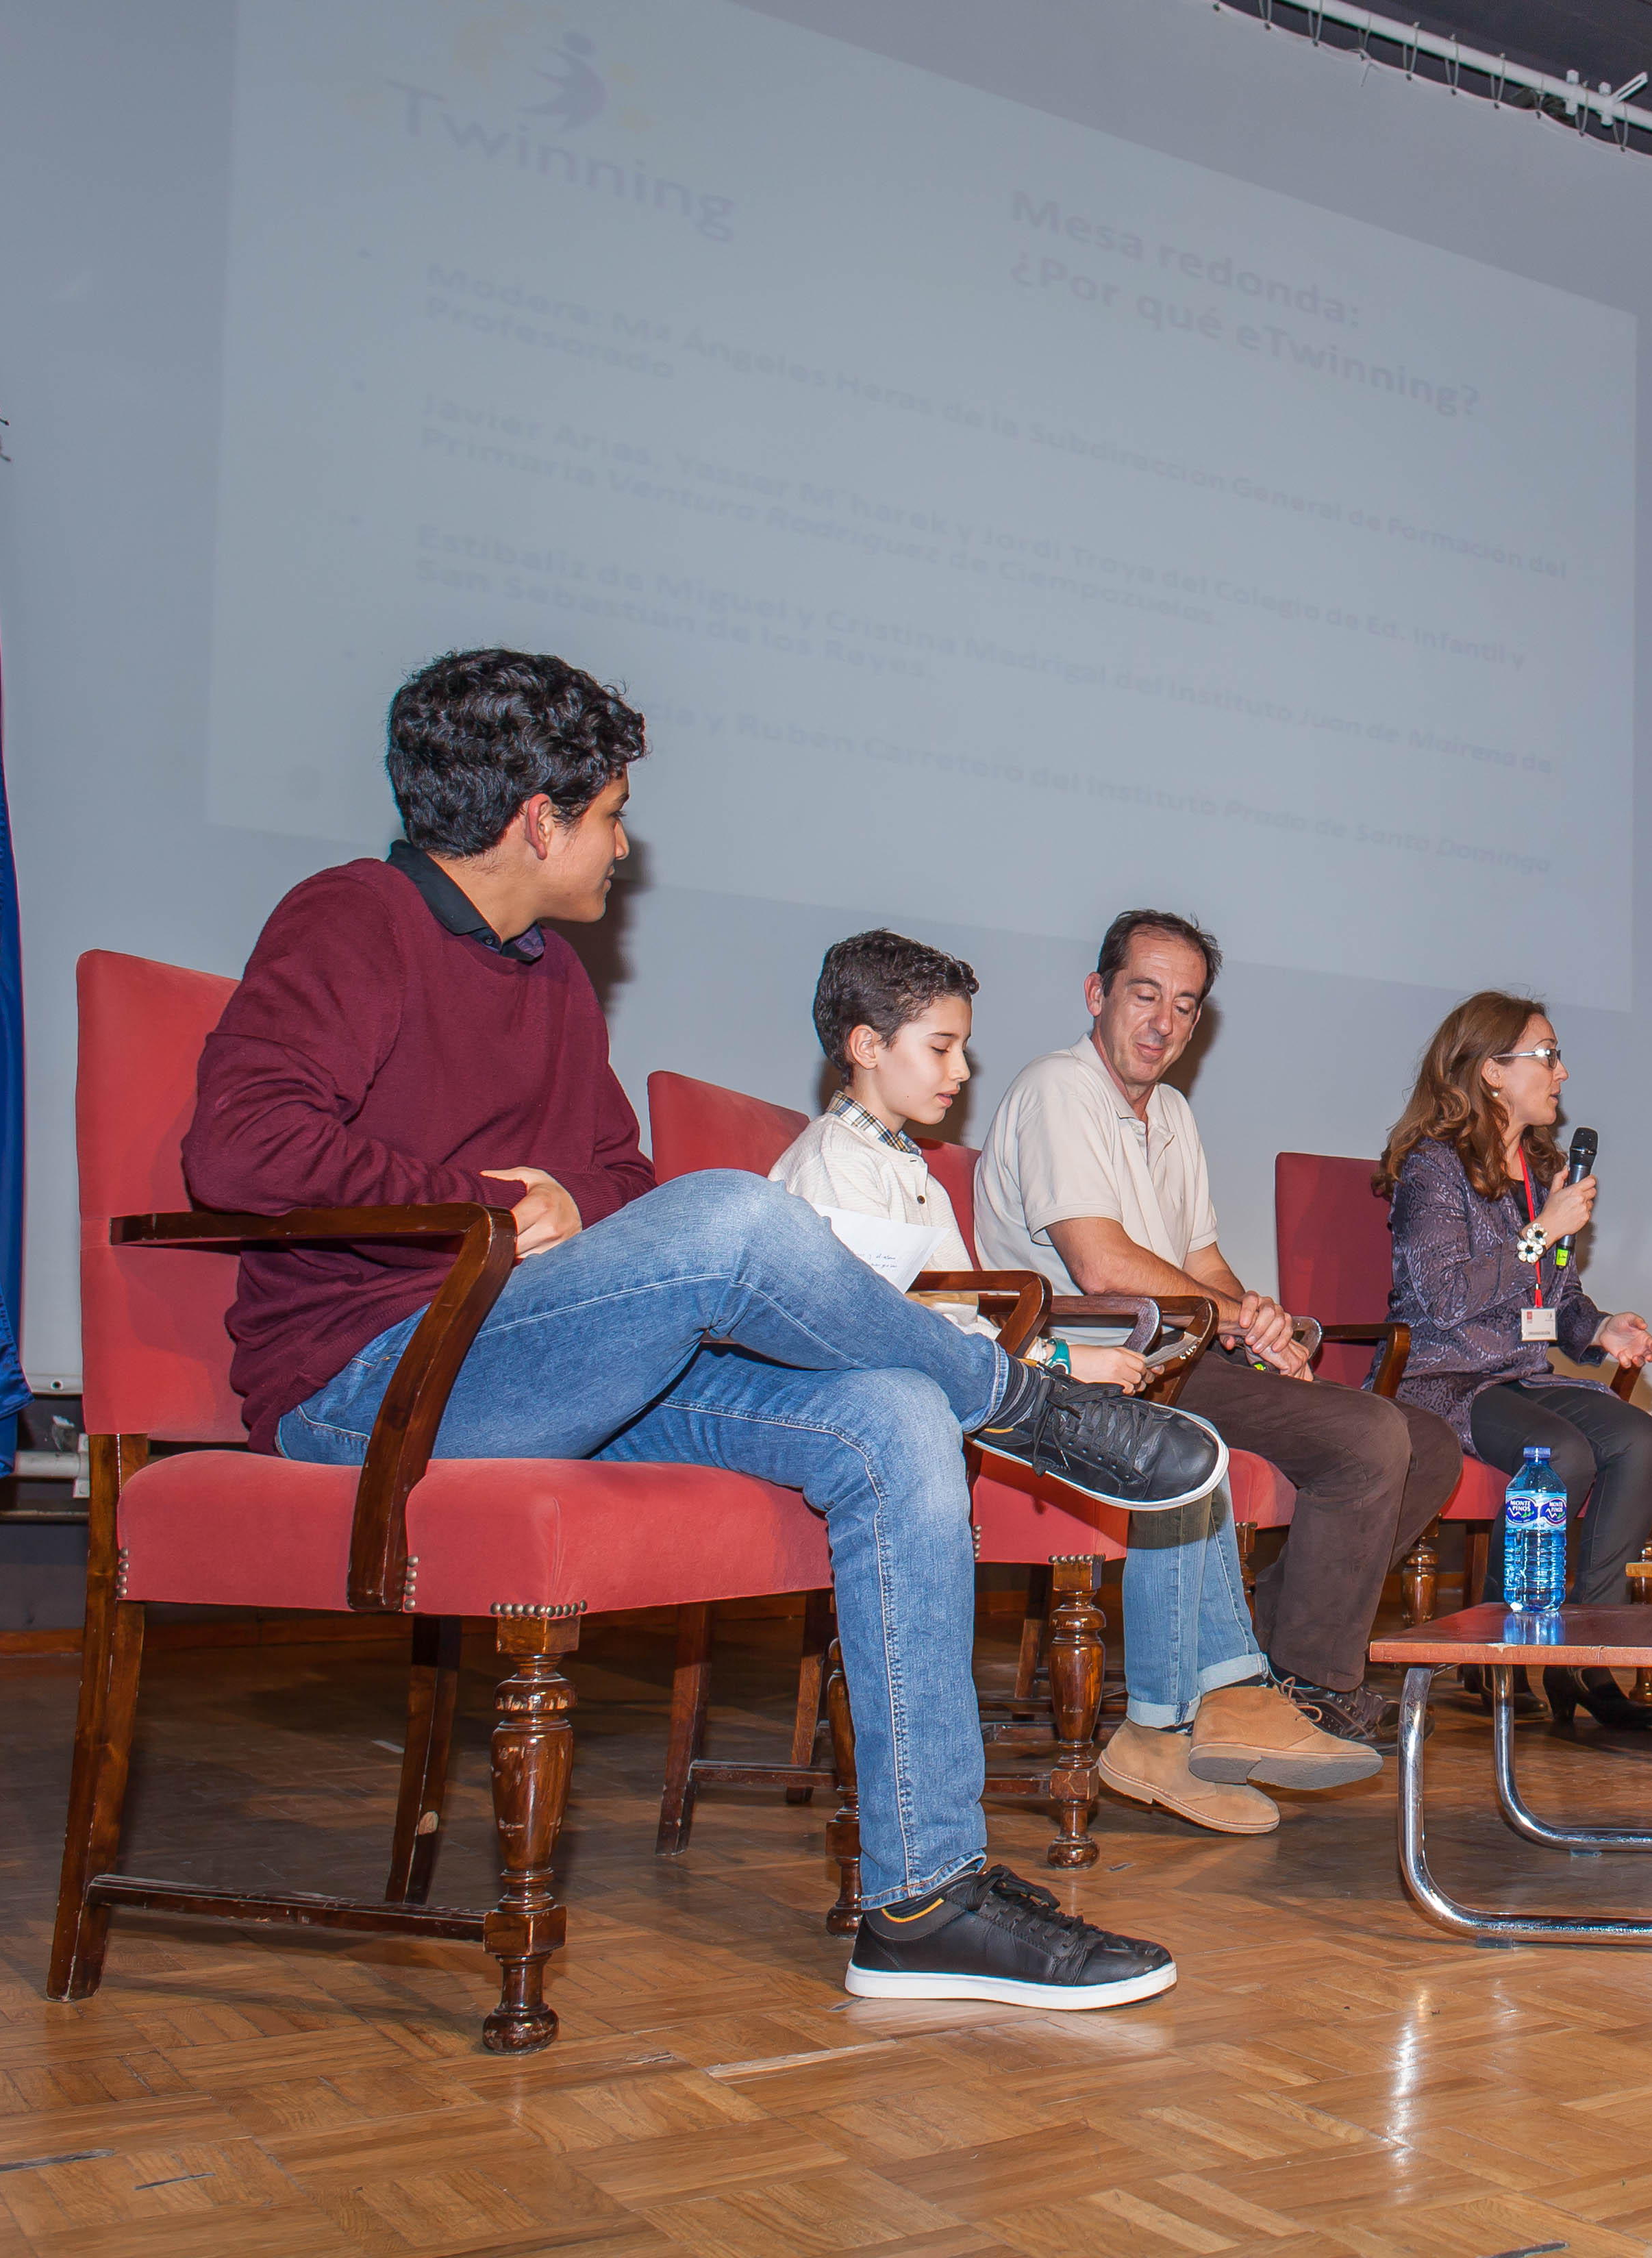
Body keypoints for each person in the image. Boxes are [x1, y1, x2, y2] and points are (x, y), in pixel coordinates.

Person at [184, 649, 1224, 2012]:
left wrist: (574, 1209)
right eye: (613, 815)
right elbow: (242, 1146)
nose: (626, 845)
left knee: (894, 1414)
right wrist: (489, 1201)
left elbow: (617, 1181)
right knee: (735, 1215)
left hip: (542, 1361)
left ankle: (925, 1898)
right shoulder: (349, 919)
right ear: (538, 819)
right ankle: (1024, 1405)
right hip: (372, 1380)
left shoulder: (554, 977)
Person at [768, 932, 1381, 1836]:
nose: (963, 1070)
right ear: (866, 1045)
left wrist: (1049, 1357)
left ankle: (1198, 1714)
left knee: (1188, 1448)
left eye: (962, 1047)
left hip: (971, 1387)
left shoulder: (906, 1166)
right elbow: (886, 1336)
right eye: (942, 1048)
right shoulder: (833, 1167)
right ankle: (1171, 1724)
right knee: (1175, 1453)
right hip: (907, 1417)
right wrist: (1057, 1362)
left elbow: (961, 1320)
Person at [974, 910, 1464, 1754]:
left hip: (1179, 1352)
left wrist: (1260, 1324)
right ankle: (1310, 1682)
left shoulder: (1170, 1112)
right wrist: (1231, 1317)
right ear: (1097, 994)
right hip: (1096, 1366)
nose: (1163, 1022)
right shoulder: (1059, 1088)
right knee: (1369, 1435)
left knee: (1430, 1444)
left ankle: (1265, 1652)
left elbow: (1199, 1260)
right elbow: (1100, 1263)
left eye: (1185, 1004)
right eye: (1144, 994)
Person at [1377, 992, 1652, 1728]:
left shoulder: (1539, 1170)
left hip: (1522, 1375)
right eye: (1547, 1055)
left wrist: (1601, 1329)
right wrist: (1542, 1233)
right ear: (1492, 1071)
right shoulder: (1432, 1169)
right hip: (1446, 1378)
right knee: (1560, 1454)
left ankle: (1588, 1654)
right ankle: (1496, 1646)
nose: (1561, 1072)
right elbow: (1443, 1297)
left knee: (1640, 1438)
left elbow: (1555, 1297)